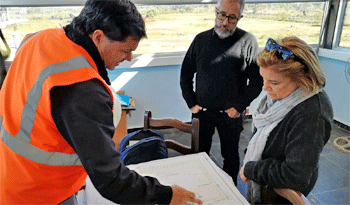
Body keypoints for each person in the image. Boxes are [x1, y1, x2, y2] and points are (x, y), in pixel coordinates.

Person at [0, 0, 202, 204]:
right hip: (38, 193)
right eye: (124, 50)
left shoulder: (38, 38)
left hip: (11, 170)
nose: (129, 58)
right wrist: (166, 195)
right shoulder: (81, 90)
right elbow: (111, 180)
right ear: (98, 36)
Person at [239, 36, 333, 204]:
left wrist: (253, 169)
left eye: (274, 82)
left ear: (302, 79)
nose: (265, 87)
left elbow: (295, 176)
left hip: (282, 194)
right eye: (264, 78)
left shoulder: (312, 115)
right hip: (268, 181)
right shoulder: (284, 95)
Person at [180, 0, 263, 185]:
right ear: (216, 11)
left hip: (231, 115)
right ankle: (199, 188)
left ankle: (230, 193)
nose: (225, 22)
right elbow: (185, 74)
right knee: (198, 156)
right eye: (222, 15)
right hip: (201, 112)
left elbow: (258, 80)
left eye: (232, 18)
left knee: (231, 158)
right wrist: (191, 104)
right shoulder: (200, 40)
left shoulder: (247, 41)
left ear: (240, 18)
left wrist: (239, 107)